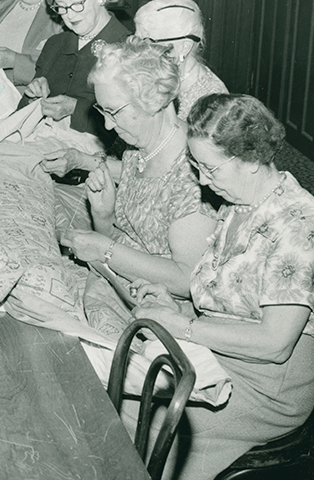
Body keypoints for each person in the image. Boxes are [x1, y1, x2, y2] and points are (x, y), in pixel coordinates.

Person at [131, 93, 314, 480]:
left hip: (268, 385)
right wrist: (177, 306)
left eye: (210, 167)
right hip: (223, 353)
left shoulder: (300, 226)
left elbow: (274, 343)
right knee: (129, 399)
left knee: (156, 431)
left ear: (252, 159)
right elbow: (225, 298)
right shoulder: (239, 202)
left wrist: (182, 326)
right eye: (196, 166)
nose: (203, 181)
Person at [59, 37, 218, 335]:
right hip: (120, 287)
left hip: (162, 314)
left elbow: (186, 279)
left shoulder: (193, 174)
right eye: (101, 111)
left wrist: (105, 249)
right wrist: (104, 218)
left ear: (154, 99)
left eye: (114, 112)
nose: (107, 126)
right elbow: (128, 239)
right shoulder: (139, 149)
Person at [21, 0, 131, 140]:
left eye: (76, 3)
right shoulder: (56, 44)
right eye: (61, 7)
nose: (70, 15)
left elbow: (130, 127)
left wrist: (75, 109)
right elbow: (21, 115)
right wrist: (32, 95)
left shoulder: (127, 48)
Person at [134, 0, 228, 119]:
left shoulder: (210, 101)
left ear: (185, 47)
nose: (137, 50)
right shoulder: (153, 73)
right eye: (137, 39)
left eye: (149, 41)